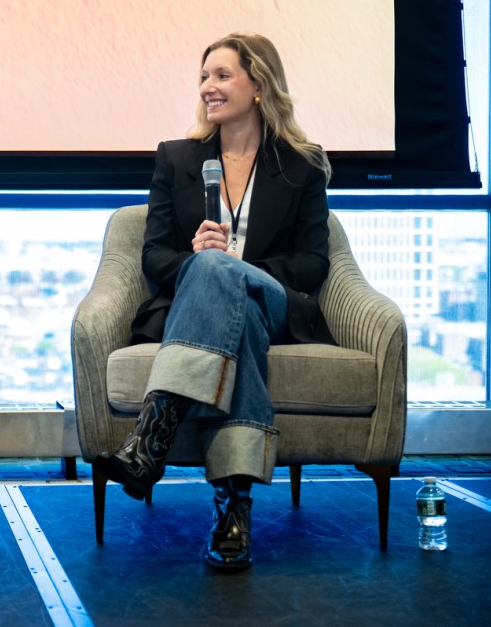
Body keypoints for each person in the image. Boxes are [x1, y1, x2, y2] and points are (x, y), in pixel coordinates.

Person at [96, 33, 335, 572]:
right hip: (221, 314)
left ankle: (151, 436)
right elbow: (155, 256)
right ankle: (234, 510)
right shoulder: (178, 159)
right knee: (211, 276)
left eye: (222, 76)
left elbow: (314, 264)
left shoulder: (302, 165)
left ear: (259, 84)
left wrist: (236, 267)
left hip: (275, 303)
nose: (208, 87)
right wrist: (200, 258)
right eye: (204, 77)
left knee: (221, 272)